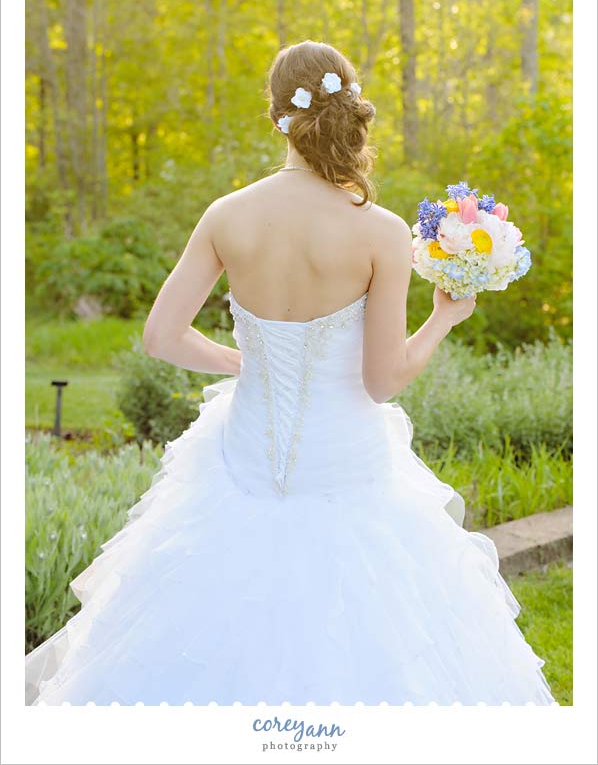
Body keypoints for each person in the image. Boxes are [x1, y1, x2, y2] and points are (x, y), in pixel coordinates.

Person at [25, 40, 556, 706]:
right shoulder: (383, 231)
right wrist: (443, 318)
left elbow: (161, 336)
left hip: (242, 461)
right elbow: (383, 381)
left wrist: (235, 361)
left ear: (274, 113)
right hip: (348, 468)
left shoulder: (228, 215)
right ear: (349, 110)